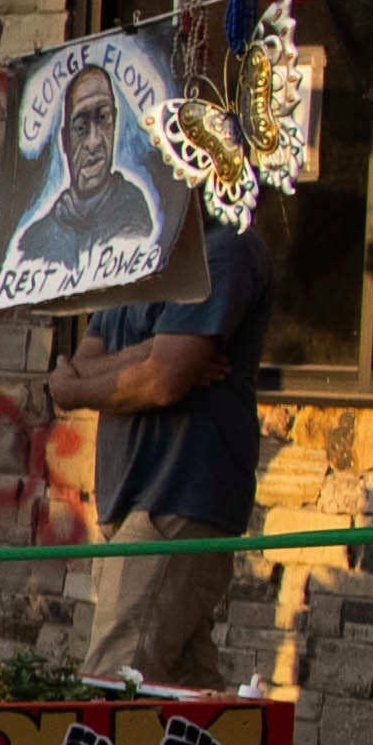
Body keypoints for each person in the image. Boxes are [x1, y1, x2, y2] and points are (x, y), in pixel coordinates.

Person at [69, 177, 278, 696]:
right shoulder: (135, 254)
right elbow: (71, 374)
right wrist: (150, 353)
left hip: (176, 498)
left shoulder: (225, 248)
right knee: (186, 693)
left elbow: (163, 382)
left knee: (113, 685)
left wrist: (101, 379)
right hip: (126, 502)